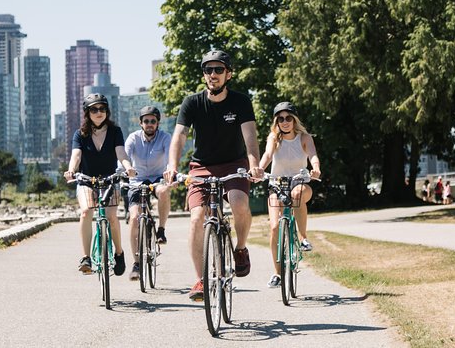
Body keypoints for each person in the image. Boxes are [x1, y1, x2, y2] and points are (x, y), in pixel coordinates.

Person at [163, 50, 264, 301]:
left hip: (234, 164)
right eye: (208, 70)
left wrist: (254, 164)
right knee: (197, 217)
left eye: (218, 70)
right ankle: (200, 280)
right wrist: (172, 165)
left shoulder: (241, 102)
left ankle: (240, 249)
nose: (213, 75)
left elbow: (250, 137)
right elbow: (179, 136)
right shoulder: (192, 102)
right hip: (201, 167)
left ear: (228, 74)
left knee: (240, 203)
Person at [64, 93, 136, 275]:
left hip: (110, 179)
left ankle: (119, 253)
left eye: (102, 109)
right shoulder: (80, 134)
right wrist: (71, 170)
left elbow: (121, 153)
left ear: (107, 111)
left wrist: (128, 167)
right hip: (87, 180)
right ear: (87, 113)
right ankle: (86, 257)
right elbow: (76, 155)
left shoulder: (115, 131)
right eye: (94, 109)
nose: (99, 112)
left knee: (112, 217)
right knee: (86, 212)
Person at [258, 102, 321, 288]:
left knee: (297, 195)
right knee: (275, 227)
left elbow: (313, 155)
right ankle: (277, 273)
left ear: (295, 120)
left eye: (288, 118)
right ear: (276, 121)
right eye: (280, 119)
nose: (285, 122)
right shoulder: (274, 138)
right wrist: (259, 170)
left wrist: (315, 168)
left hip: (299, 181)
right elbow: (268, 155)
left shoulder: (304, 137)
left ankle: (302, 238)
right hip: (276, 184)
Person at [124, 105, 173, 281]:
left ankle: (161, 230)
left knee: (164, 191)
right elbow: (125, 157)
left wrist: (169, 171)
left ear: (158, 123)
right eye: (146, 121)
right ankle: (136, 263)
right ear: (141, 123)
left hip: (157, 178)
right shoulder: (133, 138)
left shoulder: (165, 137)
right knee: (135, 218)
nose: (150, 124)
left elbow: (169, 157)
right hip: (136, 179)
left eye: (153, 121)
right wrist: (126, 168)